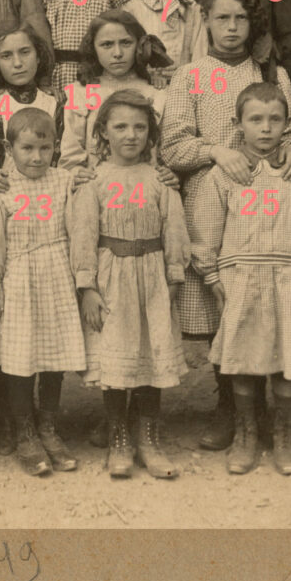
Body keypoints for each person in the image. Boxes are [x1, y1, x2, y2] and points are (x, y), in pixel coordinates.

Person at [160, 0, 291, 449]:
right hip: (211, 196)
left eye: (240, 18)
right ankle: (232, 408)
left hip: (266, 206)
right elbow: (174, 147)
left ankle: (269, 412)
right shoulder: (191, 74)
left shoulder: (271, 74)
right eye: (222, 17)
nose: (231, 27)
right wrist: (217, 151)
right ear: (205, 21)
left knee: (266, 303)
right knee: (225, 307)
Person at [70, 89, 188, 479]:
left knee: (152, 358)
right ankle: (119, 437)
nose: (130, 135)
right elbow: (84, 234)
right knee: (115, 356)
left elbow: (174, 230)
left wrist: (173, 277)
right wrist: (87, 286)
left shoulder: (160, 179)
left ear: (151, 134)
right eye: (120, 126)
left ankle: (149, 439)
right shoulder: (93, 180)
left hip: (152, 275)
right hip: (111, 276)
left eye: (140, 127)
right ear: (102, 131)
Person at [191, 83, 291, 476]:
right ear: (238, 125)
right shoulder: (224, 176)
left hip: (287, 275)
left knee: (284, 355)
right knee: (242, 358)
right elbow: (206, 230)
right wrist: (211, 276)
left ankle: (285, 430)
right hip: (239, 276)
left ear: (287, 124)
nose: (265, 128)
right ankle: (246, 430)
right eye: (255, 119)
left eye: (275, 120)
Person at [0, 108, 85, 476]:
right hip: (18, 278)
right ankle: (25, 431)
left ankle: (49, 428)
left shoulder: (63, 182)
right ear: (9, 149)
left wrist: (78, 278)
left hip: (56, 273)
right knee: (20, 356)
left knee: (53, 357)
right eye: (27, 148)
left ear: (56, 147)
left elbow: (75, 231)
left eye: (45, 148)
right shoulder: (1, 187)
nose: (36, 157)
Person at [58, 8, 172, 172]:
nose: (117, 53)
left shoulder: (157, 92)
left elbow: (167, 152)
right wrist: (78, 173)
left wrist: (168, 173)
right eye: (107, 45)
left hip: (145, 187)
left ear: (139, 45)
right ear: (93, 49)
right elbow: (70, 157)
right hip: (96, 185)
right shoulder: (81, 93)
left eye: (126, 43)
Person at [0, 18, 64, 196]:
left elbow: (65, 158)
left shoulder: (55, 102)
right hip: (6, 198)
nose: (17, 63)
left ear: (38, 56)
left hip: (53, 197)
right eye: (6, 56)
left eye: (25, 52)